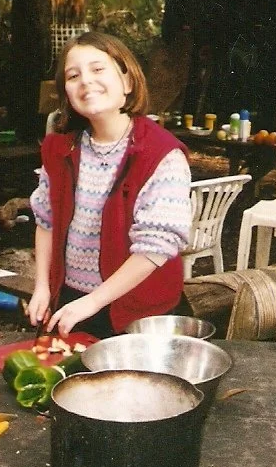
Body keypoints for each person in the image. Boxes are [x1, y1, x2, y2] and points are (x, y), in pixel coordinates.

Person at [27, 31, 193, 338]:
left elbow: (155, 248)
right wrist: (41, 287)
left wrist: (93, 302)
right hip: (73, 301)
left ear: (128, 83)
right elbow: (45, 221)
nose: (86, 81)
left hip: (141, 312)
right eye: (73, 75)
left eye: (98, 69)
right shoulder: (59, 149)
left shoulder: (162, 154)